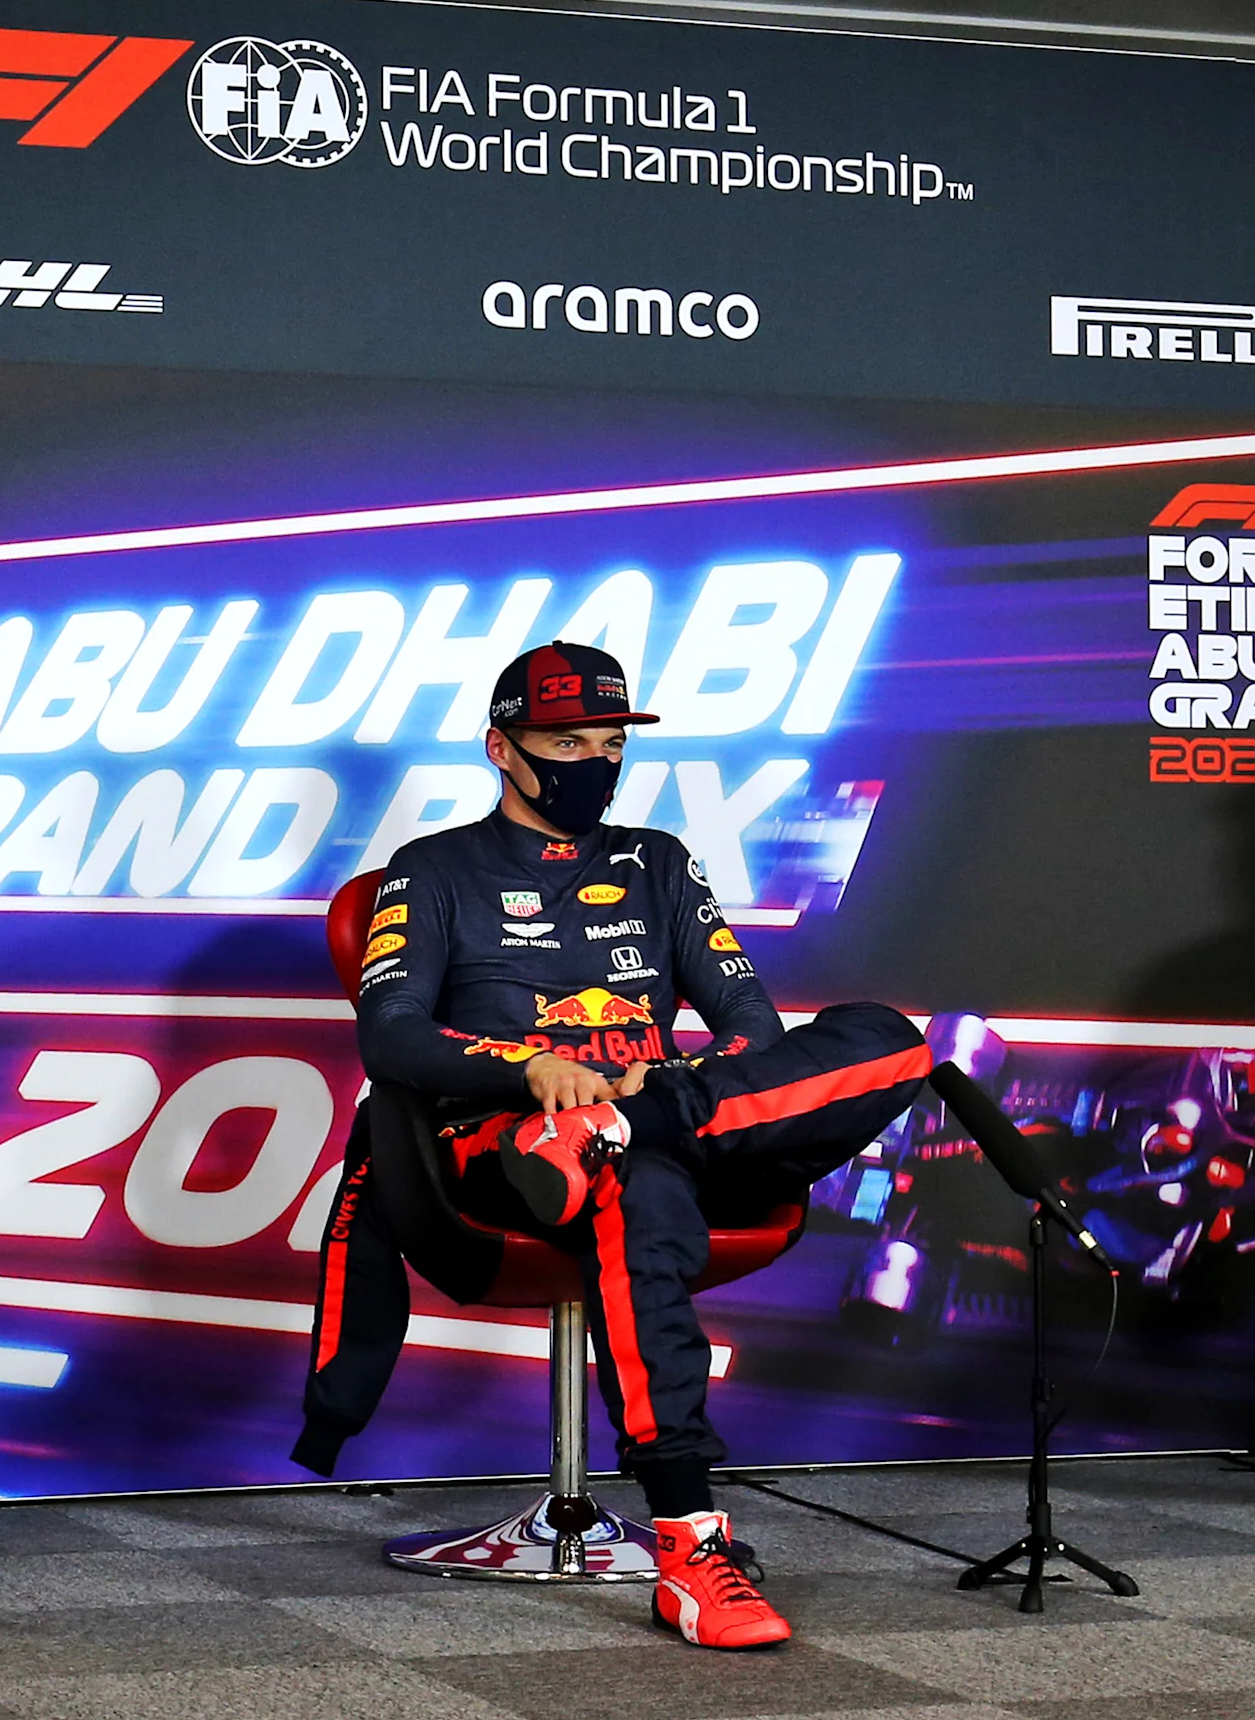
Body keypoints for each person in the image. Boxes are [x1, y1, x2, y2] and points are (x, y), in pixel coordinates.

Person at [297, 642, 932, 1648]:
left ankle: (636, 1123)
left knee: (888, 1039)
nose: (592, 761)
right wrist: (525, 1066)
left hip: (670, 1116)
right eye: (565, 741)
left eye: (607, 742)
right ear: (500, 747)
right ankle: (688, 1538)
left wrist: (660, 1093)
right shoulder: (432, 869)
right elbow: (392, 1034)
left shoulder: (659, 860)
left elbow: (751, 1028)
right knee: (631, 1185)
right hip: (507, 1147)